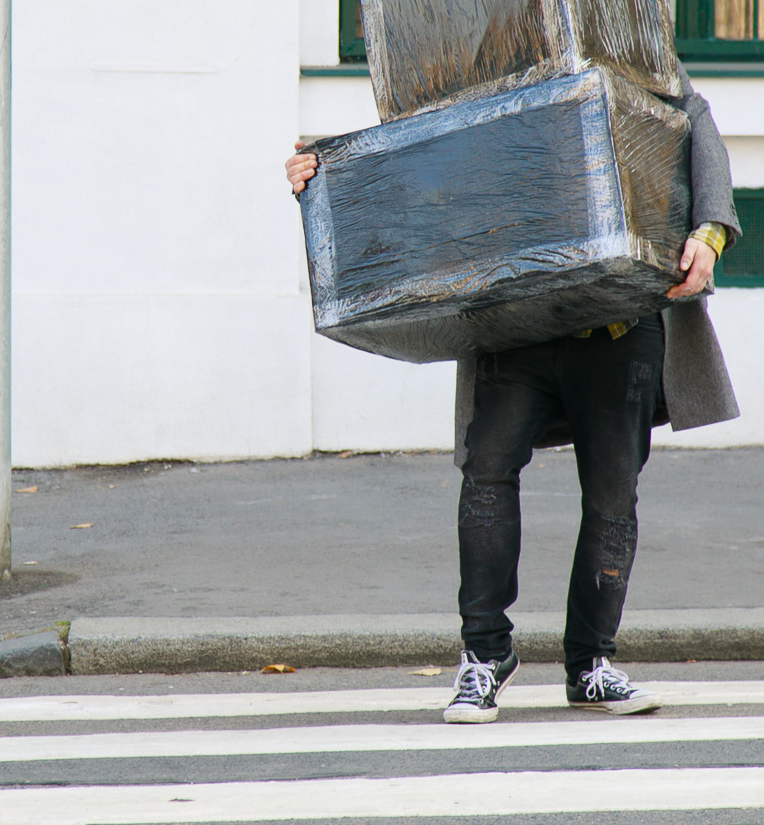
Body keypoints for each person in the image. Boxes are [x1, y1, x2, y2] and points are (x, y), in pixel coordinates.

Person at [285, 69, 740, 724]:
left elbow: (693, 117)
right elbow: (417, 148)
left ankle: (591, 663)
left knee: (613, 493)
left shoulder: (623, 33)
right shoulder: (482, 57)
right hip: (511, 324)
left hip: (617, 324)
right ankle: (485, 657)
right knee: (487, 475)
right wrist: (322, 174)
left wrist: (709, 231)